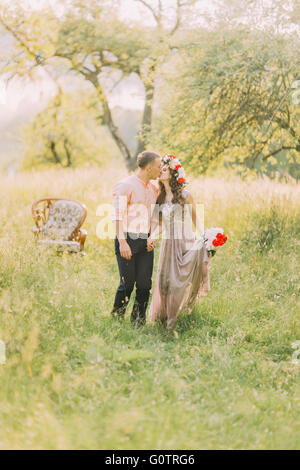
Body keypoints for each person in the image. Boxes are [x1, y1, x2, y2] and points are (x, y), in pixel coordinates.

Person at [147, 154, 211, 331]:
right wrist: (153, 236)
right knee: (165, 281)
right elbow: (160, 225)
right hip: (168, 244)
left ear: (174, 173)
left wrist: (206, 237)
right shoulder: (159, 197)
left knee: (177, 282)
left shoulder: (185, 195)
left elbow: (196, 219)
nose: (161, 171)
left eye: (165, 169)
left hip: (185, 241)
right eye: (160, 169)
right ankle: (163, 317)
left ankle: (172, 321)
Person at [110, 150, 162, 326]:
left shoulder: (154, 188)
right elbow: (117, 216)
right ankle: (116, 321)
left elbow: (155, 216)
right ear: (148, 168)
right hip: (127, 239)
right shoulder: (126, 185)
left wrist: (153, 236)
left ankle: (138, 323)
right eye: (158, 167)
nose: (160, 170)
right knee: (127, 284)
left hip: (145, 241)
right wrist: (123, 242)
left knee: (145, 285)